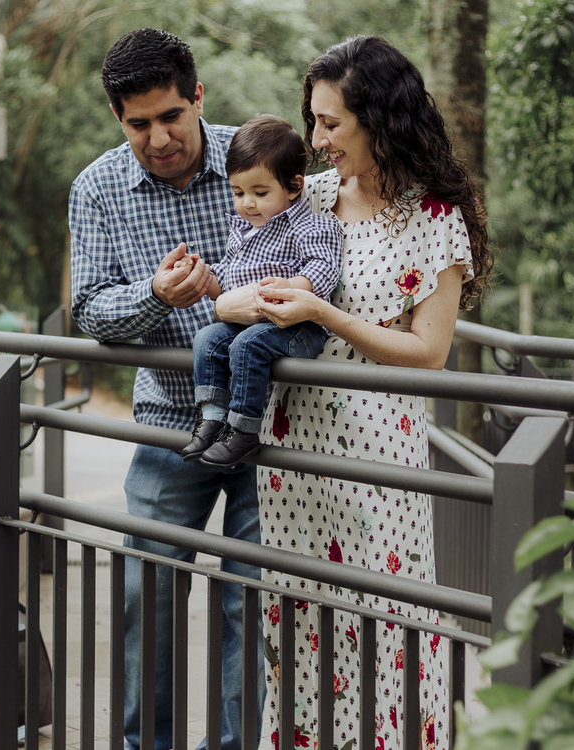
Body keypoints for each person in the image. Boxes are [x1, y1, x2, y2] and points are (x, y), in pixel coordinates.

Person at [215, 36, 493, 750]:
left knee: (383, 633)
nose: (317, 139)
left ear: (381, 118)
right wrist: (232, 302)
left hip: (375, 459)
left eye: (332, 123)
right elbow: (247, 275)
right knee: (300, 631)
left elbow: (429, 352)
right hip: (293, 453)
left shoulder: (432, 218)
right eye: (313, 120)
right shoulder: (306, 196)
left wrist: (325, 315)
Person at [68, 28, 265, 750]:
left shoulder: (258, 155)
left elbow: (316, 262)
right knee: (142, 594)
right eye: (138, 123)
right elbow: (88, 307)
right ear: (119, 118)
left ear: (198, 98)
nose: (157, 138)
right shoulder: (95, 188)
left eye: (171, 117)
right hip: (167, 420)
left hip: (261, 418)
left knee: (253, 600)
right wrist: (155, 294)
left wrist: (234, 294)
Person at [178, 114, 343, 468]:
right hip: (252, 323)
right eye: (238, 193)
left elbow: (324, 268)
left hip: (298, 327)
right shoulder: (244, 228)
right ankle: (212, 417)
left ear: (294, 186)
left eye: (259, 192)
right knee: (207, 338)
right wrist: (201, 276)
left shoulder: (311, 226)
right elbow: (228, 277)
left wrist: (293, 288)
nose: (247, 203)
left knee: (247, 344)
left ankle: (243, 430)